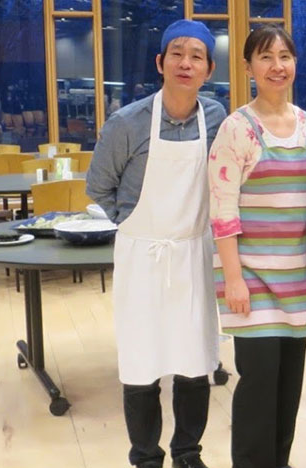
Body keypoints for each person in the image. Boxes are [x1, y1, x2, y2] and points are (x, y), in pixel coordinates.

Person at [86, 20, 226, 468]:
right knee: (141, 364)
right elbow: (99, 189)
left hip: (193, 252)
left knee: (195, 362)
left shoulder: (217, 117)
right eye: (177, 54)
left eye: (197, 56)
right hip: (143, 255)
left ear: (209, 69)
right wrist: (134, 224)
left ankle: (188, 452)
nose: (187, 63)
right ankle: (145, 457)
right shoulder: (127, 122)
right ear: (160, 63)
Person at [207, 25, 306, 468]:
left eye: (284, 56)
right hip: (252, 283)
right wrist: (233, 280)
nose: (277, 66)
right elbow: (222, 212)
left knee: (289, 387)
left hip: (298, 279)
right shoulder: (237, 128)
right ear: (248, 67)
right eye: (265, 57)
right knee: (258, 386)